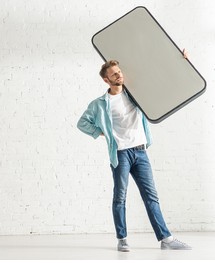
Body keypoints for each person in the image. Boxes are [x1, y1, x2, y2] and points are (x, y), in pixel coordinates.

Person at [77, 59, 191, 251]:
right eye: (114, 74)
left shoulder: (135, 94)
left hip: (140, 151)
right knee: (120, 197)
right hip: (120, 154)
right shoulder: (100, 104)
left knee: (151, 196)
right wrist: (101, 132)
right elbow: (82, 123)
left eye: (119, 72)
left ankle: (166, 239)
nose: (119, 75)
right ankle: (122, 239)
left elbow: (162, 82)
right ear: (106, 80)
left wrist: (181, 60)